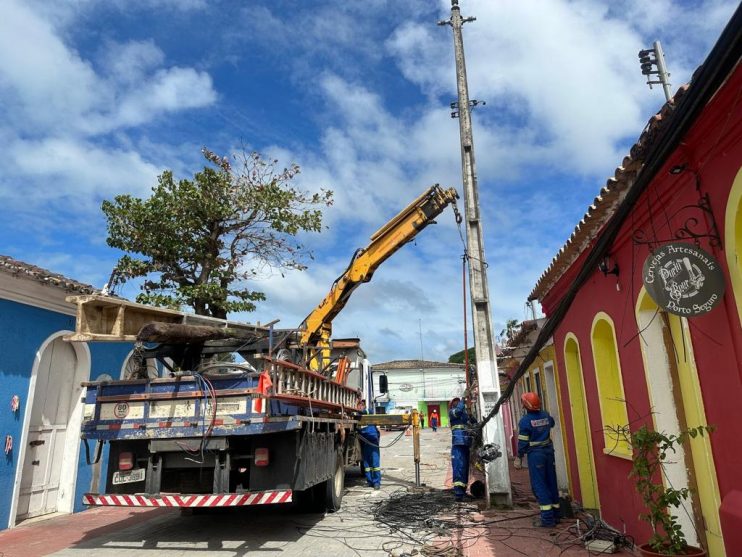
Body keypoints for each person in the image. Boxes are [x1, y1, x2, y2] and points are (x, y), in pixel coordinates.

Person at [515, 392, 559, 527]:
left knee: (539, 485)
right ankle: (556, 514)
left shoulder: (525, 421)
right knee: (551, 482)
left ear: (526, 405)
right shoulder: (545, 415)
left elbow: (523, 442)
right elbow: (552, 423)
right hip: (548, 452)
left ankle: (547, 519)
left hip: (536, 455)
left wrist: (519, 456)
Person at [449, 394, 474, 502]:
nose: (457, 402)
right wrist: (463, 401)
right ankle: (458, 493)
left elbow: (474, 422)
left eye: (458, 401)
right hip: (458, 443)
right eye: (456, 402)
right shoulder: (453, 412)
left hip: (466, 443)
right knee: (458, 468)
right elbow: (458, 411)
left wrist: (470, 413)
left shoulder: (463, 415)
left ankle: (463, 491)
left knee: (464, 468)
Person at [359, 400, 381, 489]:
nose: (360, 407)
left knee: (375, 464)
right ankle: (369, 481)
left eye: (361, 405)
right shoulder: (359, 419)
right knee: (366, 464)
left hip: (373, 443)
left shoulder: (369, 414)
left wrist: (361, 412)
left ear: (364, 406)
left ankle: (376, 482)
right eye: (359, 406)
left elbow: (370, 411)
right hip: (366, 443)